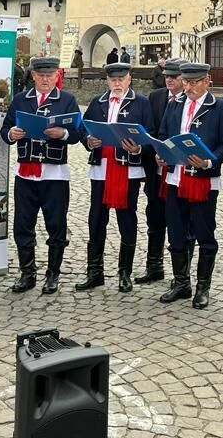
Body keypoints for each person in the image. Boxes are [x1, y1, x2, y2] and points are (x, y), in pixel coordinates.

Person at [157, 61, 223, 309]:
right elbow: (162, 134)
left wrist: (209, 161)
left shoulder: (220, 108)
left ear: (206, 81)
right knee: (177, 233)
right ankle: (182, 283)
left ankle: (203, 287)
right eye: (186, 82)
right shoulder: (175, 104)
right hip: (175, 177)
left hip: (203, 180)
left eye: (194, 82)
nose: (188, 87)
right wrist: (160, 152)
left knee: (204, 234)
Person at [0, 57, 82, 294]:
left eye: (50, 75)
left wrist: (64, 133)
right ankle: (28, 272)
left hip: (54, 174)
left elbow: (78, 134)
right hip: (25, 173)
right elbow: (5, 130)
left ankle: (53, 274)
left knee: (56, 224)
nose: (45, 79)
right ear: (33, 76)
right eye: (41, 75)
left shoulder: (67, 100)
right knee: (23, 225)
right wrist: (12, 134)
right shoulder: (20, 99)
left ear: (57, 77)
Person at [77, 62, 155, 292]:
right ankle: (95, 272)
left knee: (127, 219)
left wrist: (138, 149)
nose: (117, 83)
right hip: (101, 168)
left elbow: (151, 135)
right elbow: (84, 129)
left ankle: (124, 273)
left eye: (122, 79)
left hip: (128, 169)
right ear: (107, 81)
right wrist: (88, 141)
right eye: (113, 80)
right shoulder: (98, 102)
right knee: (96, 219)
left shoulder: (141, 103)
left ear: (129, 79)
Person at [139, 58, 185, 284]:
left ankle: (182, 274)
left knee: (181, 222)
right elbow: (150, 128)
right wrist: (150, 146)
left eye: (174, 77)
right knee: (154, 218)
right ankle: (154, 265)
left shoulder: (190, 101)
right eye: (167, 76)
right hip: (156, 168)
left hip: (181, 172)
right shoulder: (156, 97)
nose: (169, 80)